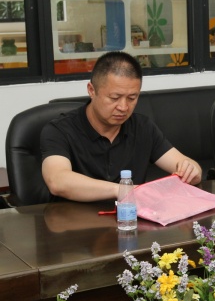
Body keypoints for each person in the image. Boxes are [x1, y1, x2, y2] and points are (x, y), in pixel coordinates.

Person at [41, 51, 202, 202]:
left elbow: (190, 167)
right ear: (91, 90)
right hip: (74, 221)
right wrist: (122, 190)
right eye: (114, 98)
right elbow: (57, 181)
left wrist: (192, 170)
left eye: (132, 98)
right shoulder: (59, 130)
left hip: (131, 220)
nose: (123, 107)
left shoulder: (143, 127)